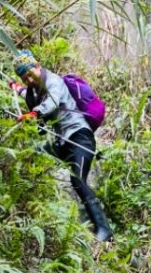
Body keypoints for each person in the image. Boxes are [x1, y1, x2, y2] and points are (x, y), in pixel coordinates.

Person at [10, 50, 113, 242]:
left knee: (78, 180)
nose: (30, 80)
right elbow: (29, 93)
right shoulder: (34, 88)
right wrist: (18, 88)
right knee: (32, 154)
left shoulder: (53, 81)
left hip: (80, 138)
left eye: (31, 74)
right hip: (61, 142)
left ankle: (104, 231)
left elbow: (53, 101)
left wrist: (34, 114)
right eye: (25, 78)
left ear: (38, 66)